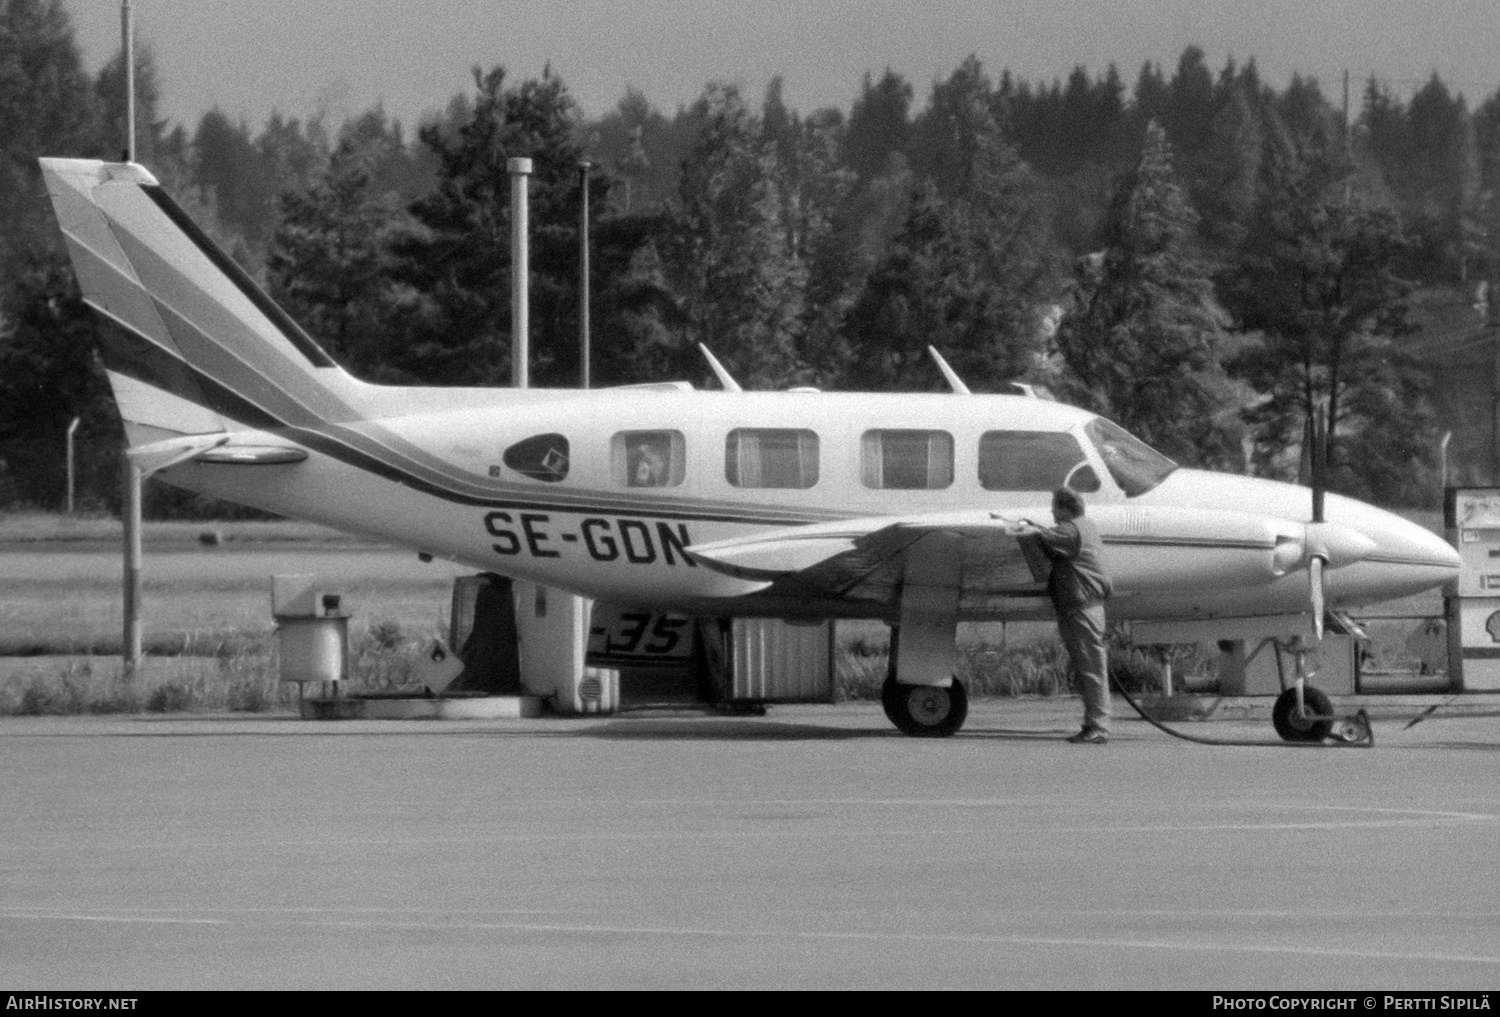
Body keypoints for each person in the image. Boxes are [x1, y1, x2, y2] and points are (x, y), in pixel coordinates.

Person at [1020, 488, 1113, 744]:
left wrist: (1025, 526)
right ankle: (1094, 724)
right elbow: (1051, 540)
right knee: (1090, 669)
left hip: (1082, 609)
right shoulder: (1084, 528)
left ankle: (1098, 727)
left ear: (1064, 508)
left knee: (1092, 670)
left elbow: (1046, 537)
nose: (1051, 512)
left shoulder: (1072, 530)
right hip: (1084, 608)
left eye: (1054, 507)